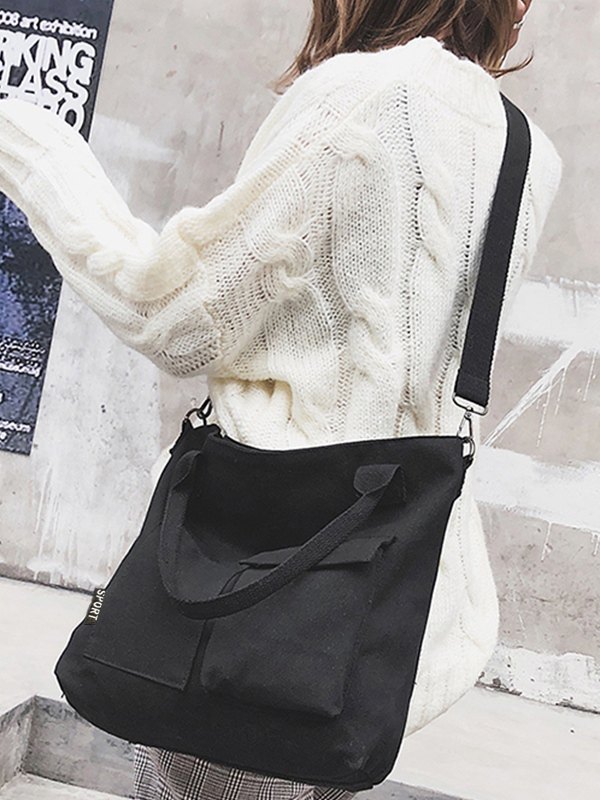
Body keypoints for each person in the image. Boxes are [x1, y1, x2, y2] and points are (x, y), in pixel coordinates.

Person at [0, 0, 562, 798]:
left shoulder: (358, 99)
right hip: (389, 612)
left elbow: (173, 317)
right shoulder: (526, 149)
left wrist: (26, 142)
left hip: (253, 589)